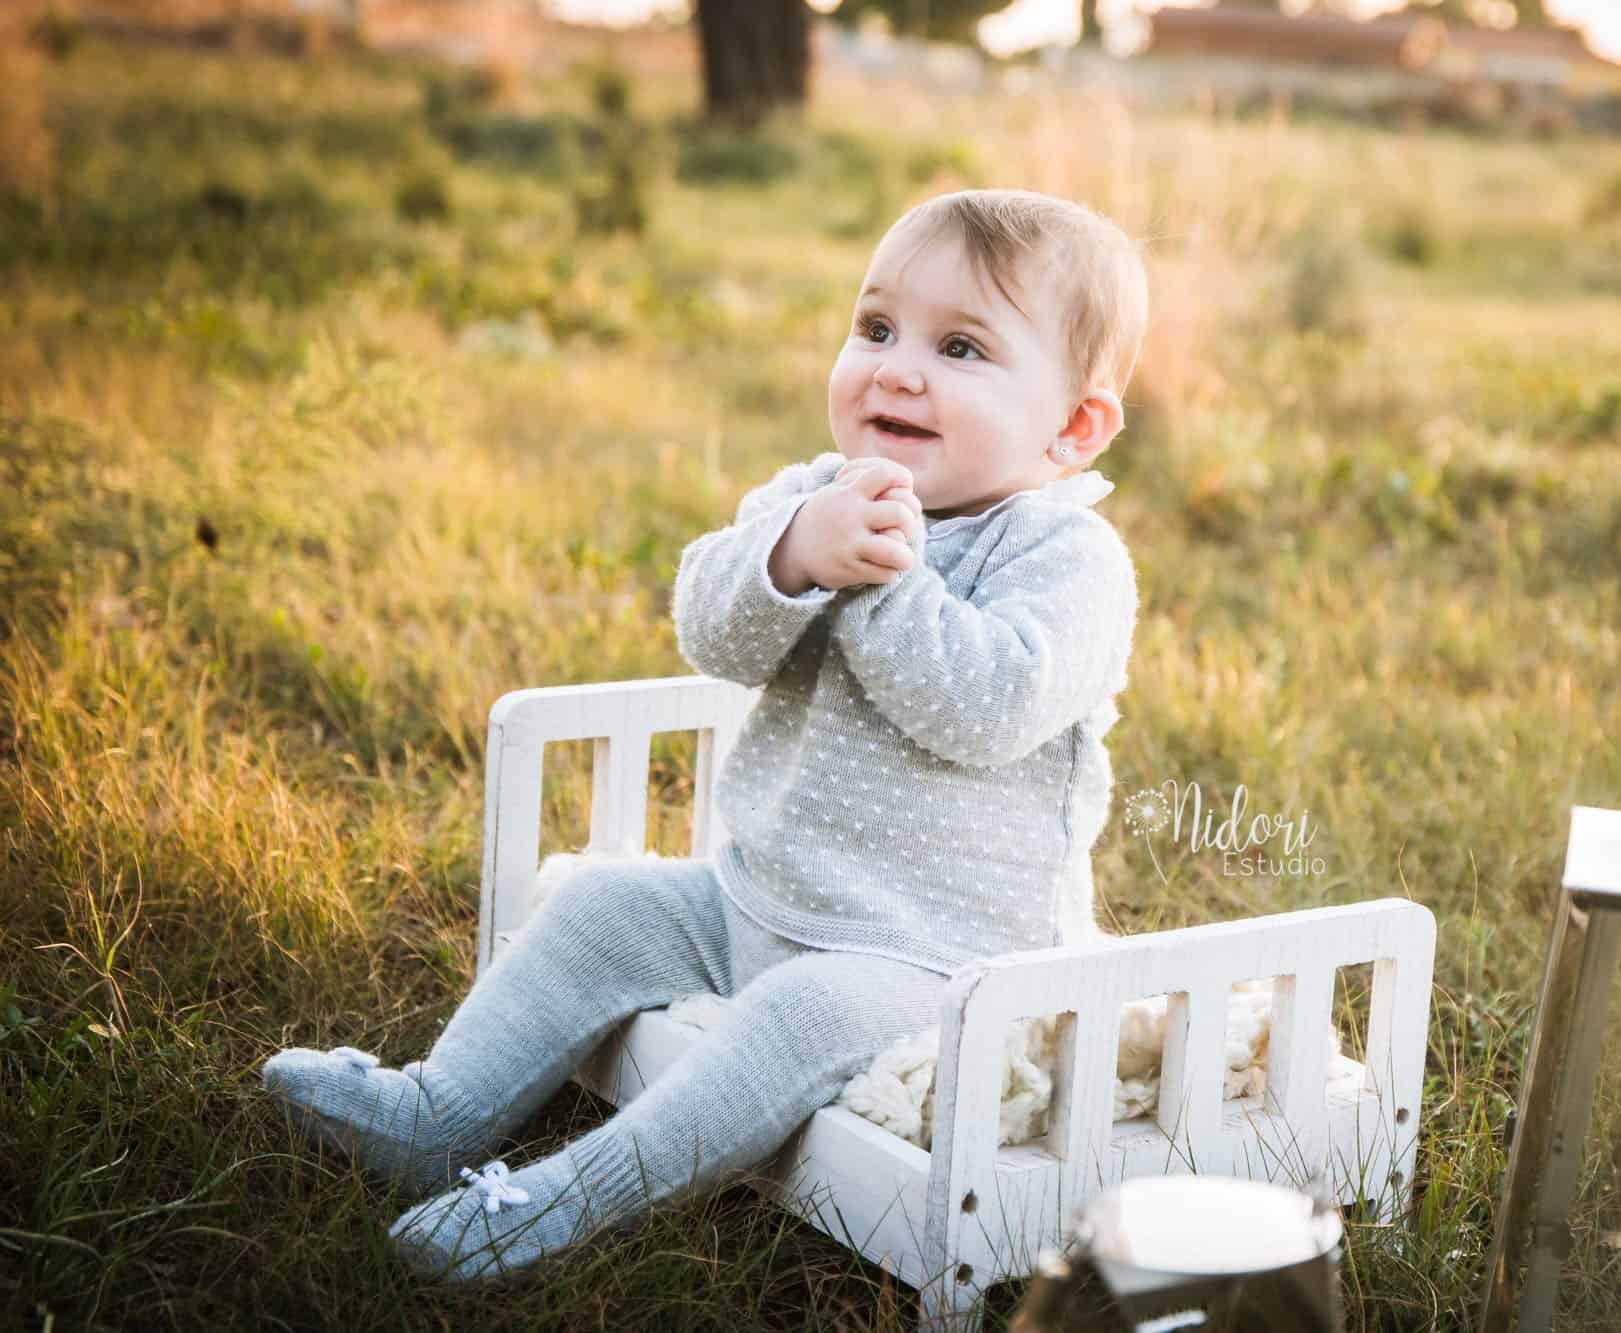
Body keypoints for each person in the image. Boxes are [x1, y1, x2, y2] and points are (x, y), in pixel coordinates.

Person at [260, 187, 1151, 1280]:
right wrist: (790, 556)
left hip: (939, 960)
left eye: (960, 347)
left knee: (794, 1013)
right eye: (875, 328)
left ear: (1072, 427)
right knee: (599, 903)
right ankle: (434, 1113)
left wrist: (877, 578)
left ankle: (554, 1205)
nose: (897, 368)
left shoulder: (1064, 559)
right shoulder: (814, 496)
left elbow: (983, 710)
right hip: (750, 895)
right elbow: (710, 630)